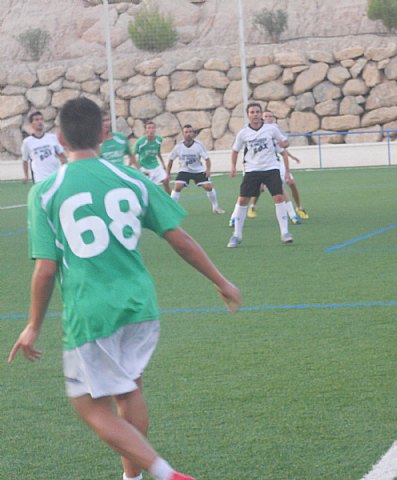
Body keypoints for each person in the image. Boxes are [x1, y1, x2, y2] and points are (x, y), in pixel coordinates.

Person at [8, 97, 241, 480]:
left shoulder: (46, 191)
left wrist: (33, 324)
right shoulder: (133, 179)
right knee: (129, 391)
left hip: (91, 310)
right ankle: (131, 478)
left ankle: (164, 473)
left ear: (59, 138)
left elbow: (46, 270)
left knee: (88, 405)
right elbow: (180, 239)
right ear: (103, 133)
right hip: (140, 306)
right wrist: (222, 281)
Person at [227, 102, 292, 248]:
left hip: (271, 168)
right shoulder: (243, 133)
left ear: (260, 114)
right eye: (252, 112)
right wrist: (233, 167)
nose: (255, 114)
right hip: (252, 170)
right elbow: (235, 150)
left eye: (257, 112)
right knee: (243, 200)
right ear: (248, 115)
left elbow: (283, 142)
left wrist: (285, 143)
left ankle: (285, 232)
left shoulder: (271, 129)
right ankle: (237, 235)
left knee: (278, 196)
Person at [246, 110, 309, 222]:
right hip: (261, 164)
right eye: (266, 116)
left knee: (291, 183)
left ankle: (299, 208)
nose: (269, 118)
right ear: (262, 118)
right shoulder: (255, 132)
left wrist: (291, 157)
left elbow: (282, 147)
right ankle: (252, 207)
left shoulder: (274, 129)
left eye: (271, 116)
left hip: (276, 162)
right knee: (260, 188)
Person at [167, 124, 225, 214]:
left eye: (190, 132)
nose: (188, 134)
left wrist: (208, 170)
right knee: (177, 186)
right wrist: (168, 173)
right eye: (186, 132)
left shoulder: (198, 145)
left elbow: (207, 159)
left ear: (193, 133)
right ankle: (172, 209)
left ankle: (216, 207)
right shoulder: (178, 146)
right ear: (183, 134)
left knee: (208, 187)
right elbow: (170, 160)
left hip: (198, 170)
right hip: (184, 170)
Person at [21, 111, 67, 184]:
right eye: (36, 120)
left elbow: (62, 156)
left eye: (41, 119)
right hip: (39, 179)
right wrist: (26, 175)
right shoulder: (27, 142)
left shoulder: (52, 137)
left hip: (54, 176)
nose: (40, 122)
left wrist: (63, 167)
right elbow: (25, 160)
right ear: (31, 124)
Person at [133, 121, 171, 194]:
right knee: (149, 189)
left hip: (155, 165)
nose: (151, 130)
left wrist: (163, 164)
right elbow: (133, 157)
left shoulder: (159, 140)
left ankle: (171, 201)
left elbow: (158, 152)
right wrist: (141, 170)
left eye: (153, 128)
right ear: (146, 130)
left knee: (166, 181)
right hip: (145, 167)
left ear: (155, 129)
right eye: (149, 128)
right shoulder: (141, 142)